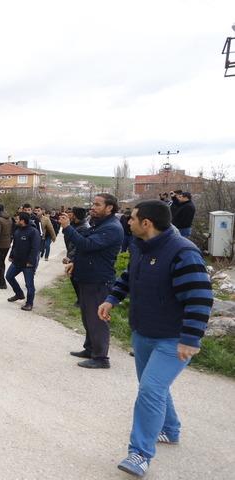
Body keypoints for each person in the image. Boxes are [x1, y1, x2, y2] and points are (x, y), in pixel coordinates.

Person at [99, 200, 212, 478]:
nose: (128, 222)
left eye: (132, 218)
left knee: (150, 390)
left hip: (172, 339)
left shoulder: (183, 253)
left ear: (146, 223)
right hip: (144, 332)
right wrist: (112, 299)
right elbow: (129, 276)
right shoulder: (141, 246)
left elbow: (199, 297)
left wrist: (190, 338)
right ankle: (170, 430)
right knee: (153, 387)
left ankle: (139, 454)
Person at [60, 193, 124, 369]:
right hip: (88, 277)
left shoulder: (112, 228)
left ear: (109, 208)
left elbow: (87, 245)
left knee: (97, 319)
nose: (92, 207)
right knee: (88, 316)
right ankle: (90, 349)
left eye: (97, 204)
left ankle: (101, 357)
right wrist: (75, 262)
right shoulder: (99, 223)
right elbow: (87, 247)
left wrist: (67, 228)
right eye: (93, 204)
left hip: (98, 280)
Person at [6, 212, 41, 311]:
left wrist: (31, 261)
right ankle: (19, 294)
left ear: (22, 220)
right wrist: (11, 255)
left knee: (29, 284)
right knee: (9, 276)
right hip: (17, 261)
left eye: (17, 219)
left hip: (28, 264)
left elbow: (35, 248)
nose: (15, 221)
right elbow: (14, 245)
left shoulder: (33, 231)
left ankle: (29, 303)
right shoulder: (17, 231)